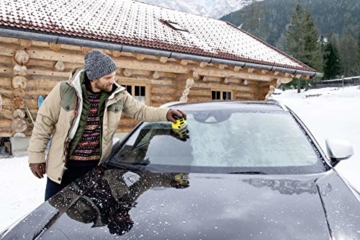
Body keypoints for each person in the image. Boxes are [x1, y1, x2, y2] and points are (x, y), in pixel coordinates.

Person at [28, 49, 187, 201]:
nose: (113, 81)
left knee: (91, 216)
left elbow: (140, 111)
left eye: (114, 76)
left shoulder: (118, 95)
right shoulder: (64, 91)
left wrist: (165, 114)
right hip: (63, 167)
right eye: (108, 78)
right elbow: (44, 123)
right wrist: (36, 157)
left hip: (95, 168)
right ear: (94, 78)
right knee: (54, 214)